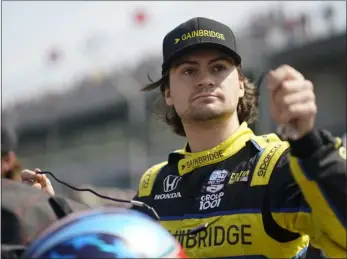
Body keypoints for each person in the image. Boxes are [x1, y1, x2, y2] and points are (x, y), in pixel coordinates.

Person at [21, 17, 346, 258]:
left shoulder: (280, 163)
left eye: (219, 68)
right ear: (168, 94)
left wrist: (307, 141)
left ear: (240, 84)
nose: (205, 79)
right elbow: (116, 247)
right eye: (189, 71)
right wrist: (53, 209)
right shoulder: (154, 183)